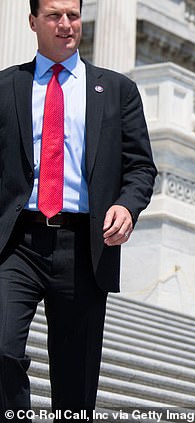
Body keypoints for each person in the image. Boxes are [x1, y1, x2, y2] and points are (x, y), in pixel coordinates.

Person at [0, 0, 156, 418]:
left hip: (84, 247)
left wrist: (127, 206)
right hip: (16, 244)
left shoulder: (117, 89)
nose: (66, 24)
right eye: (54, 16)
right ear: (33, 22)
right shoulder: (5, 87)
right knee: (1, 348)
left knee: (76, 382)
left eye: (73, 15)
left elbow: (140, 167)